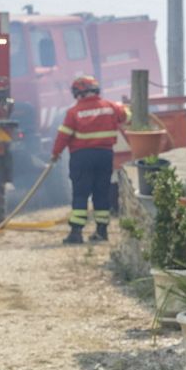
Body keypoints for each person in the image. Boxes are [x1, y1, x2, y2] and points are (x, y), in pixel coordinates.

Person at [50, 75, 127, 245]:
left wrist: (55, 154)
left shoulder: (73, 113)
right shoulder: (110, 107)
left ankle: (76, 233)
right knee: (101, 192)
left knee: (81, 194)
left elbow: (63, 136)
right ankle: (102, 231)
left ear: (78, 93)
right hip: (105, 155)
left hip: (82, 157)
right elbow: (124, 116)